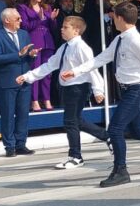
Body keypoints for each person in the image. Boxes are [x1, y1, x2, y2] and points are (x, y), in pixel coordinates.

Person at [62, 1, 140, 187]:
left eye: (114, 16)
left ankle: (120, 170)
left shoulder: (136, 40)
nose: (113, 19)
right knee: (138, 130)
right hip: (130, 90)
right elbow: (102, 58)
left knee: (115, 129)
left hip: (139, 89)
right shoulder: (121, 38)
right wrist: (76, 71)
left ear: (120, 18)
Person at [19, 15, 109, 169]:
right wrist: (28, 76)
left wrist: (98, 90)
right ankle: (108, 136)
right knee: (76, 120)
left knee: (70, 122)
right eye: (62, 27)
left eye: (66, 27)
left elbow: (92, 67)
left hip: (78, 88)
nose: (62, 29)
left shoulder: (82, 47)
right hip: (67, 88)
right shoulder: (64, 47)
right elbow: (49, 65)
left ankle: (75, 156)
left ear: (76, 31)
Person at [0, 8, 37, 157]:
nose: (21, 21)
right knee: (8, 114)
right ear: (7, 20)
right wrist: (18, 54)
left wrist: (32, 55)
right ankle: (9, 146)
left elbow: (27, 55)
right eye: (17, 19)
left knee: (23, 113)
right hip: (7, 80)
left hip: (24, 79)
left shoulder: (24, 34)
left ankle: (21, 144)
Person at [17, 0, 58, 112]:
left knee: (47, 73)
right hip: (33, 42)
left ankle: (46, 99)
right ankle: (34, 101)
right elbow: (25, 27)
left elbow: (53, 29)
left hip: (48, 42)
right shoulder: (22, 7)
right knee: (35, 72)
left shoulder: (46, 7)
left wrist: (52, 20)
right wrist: (39, 19)